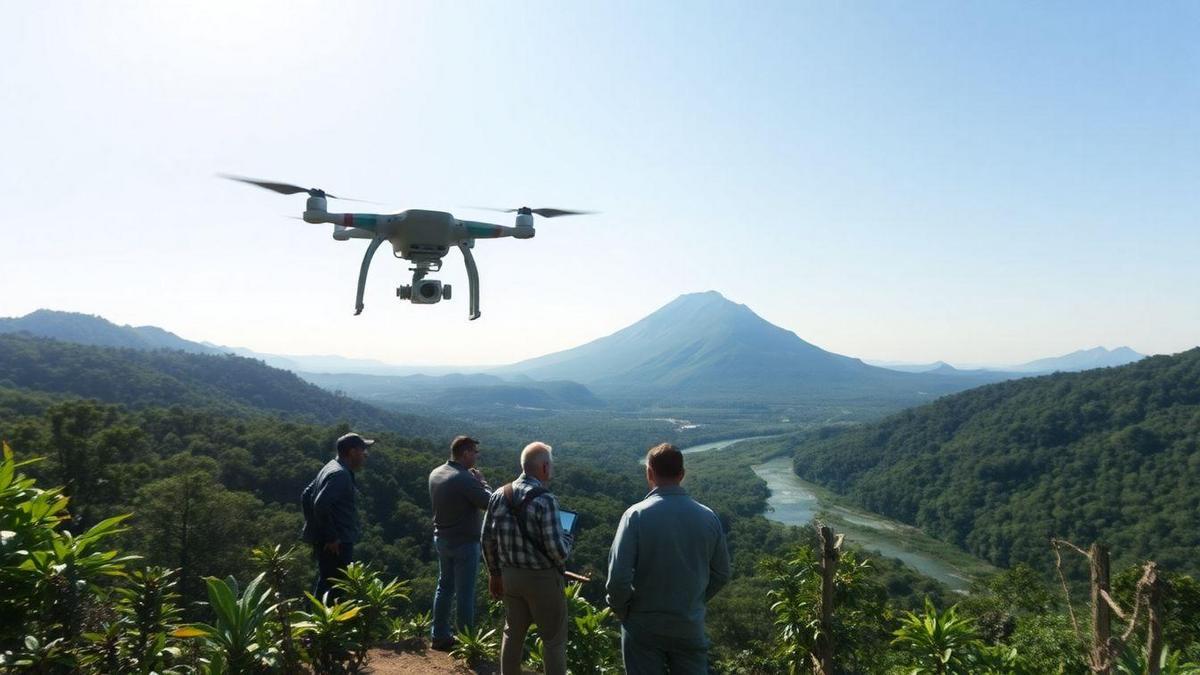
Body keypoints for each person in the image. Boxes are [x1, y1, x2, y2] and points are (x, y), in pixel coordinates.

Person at [606, 443, 731, 674]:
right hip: (688, 625)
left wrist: (622, 609)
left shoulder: (635, 516)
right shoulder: (708, 518)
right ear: (682, 474)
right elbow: (722, 573)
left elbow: (618, 578)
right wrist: (695, 600)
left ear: (649, 473)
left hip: (643, 624)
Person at [481, 442, 573, 675]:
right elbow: (558, 552)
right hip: (542, 579)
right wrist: (568, 538)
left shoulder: (499, 494)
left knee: (512, 633)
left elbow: (487, 539)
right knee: (553, 641)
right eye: (551, 465)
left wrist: (494, 574)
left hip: (510, 576)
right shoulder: (546, 500)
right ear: (544, 467)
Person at [428, 435, 493, 650]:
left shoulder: (436, 473)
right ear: (465, 453)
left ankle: (439, 635)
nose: (477, 456)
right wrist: (482, 481)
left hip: (442, 538)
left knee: (444, 587)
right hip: (464, 543)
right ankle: (467, 643)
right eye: (475, 452)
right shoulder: (464, 478)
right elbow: (489, 502)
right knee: (465, 594)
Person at [303, 432, 372, 601]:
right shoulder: (340, 474)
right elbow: (320, 504)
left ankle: (316, 615)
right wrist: (331, 536)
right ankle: (323, 617)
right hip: (337, 543)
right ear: (352, 452)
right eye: (363, 450)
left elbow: (306, 495)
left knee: (326, 582)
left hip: (330, 540)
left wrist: (316, 529)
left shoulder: (331, 466)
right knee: (335, 587)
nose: (366, 454)